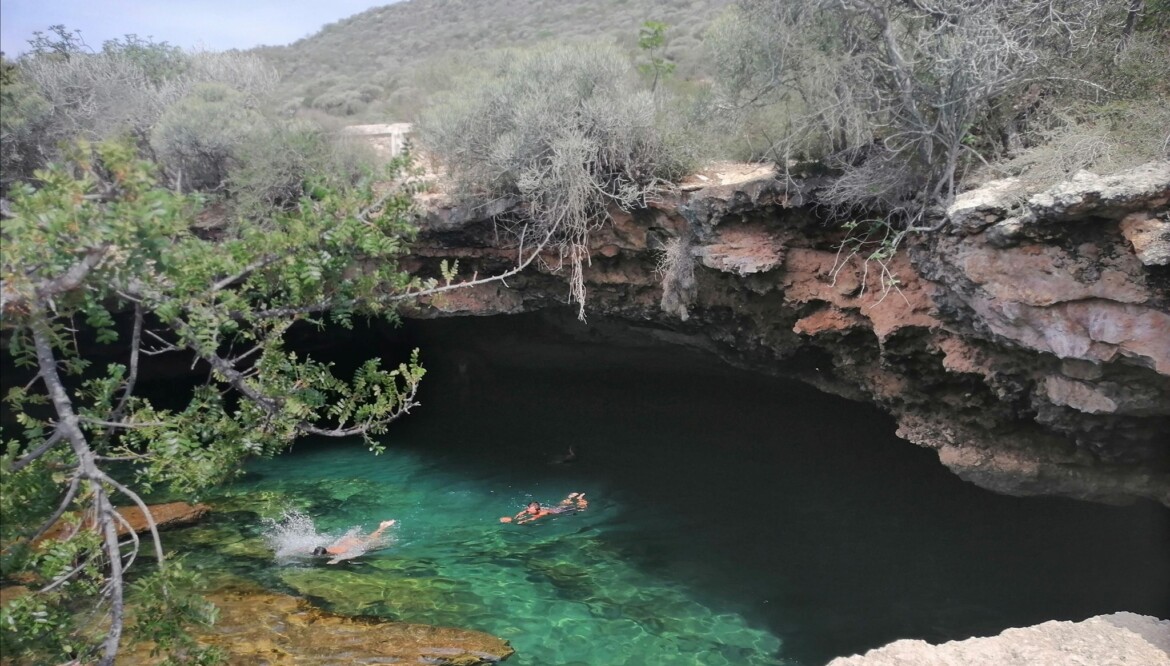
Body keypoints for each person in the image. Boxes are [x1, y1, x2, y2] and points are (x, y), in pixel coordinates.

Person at [312, 519, 396, 564]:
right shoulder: (326, 549)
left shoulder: (336, 552)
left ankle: (383, 526)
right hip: (348, 540)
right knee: (369, 537)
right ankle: (382, 527)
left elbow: (352, 556)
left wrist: (336, 560)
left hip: (355, 543)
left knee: (372, 539)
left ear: (325, 553)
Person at [500, 493, 587, 524]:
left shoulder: (542, 513)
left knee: (580, 508)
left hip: (560, 511)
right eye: (529, 508)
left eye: (531, 509)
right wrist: (515, 518)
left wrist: (524, 521)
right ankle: (570, 497)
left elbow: (534, 518)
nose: (528, 510)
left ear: (537, 510)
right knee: (561, 504)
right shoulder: (529, 509)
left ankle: (580, 498)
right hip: (555, 508)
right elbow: (522, 512)